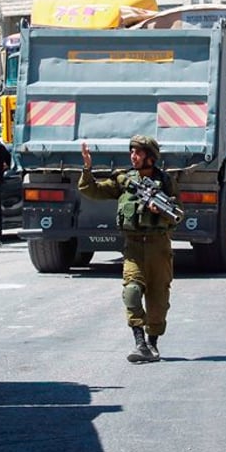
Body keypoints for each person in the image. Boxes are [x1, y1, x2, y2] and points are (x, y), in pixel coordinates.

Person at [79, 135, 179, 364]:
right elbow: (91, 189)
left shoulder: (166, 182)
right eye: (131, 152)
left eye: (138, 152)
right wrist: (87, 168)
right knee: (132, 293)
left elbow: (178, 215)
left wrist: (160, 212)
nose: (133, 156)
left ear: (150, 158)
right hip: (133, 247)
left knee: (158, 300)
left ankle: (152, 344)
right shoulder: (125, 180)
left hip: (159, 248)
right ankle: (139, 342)